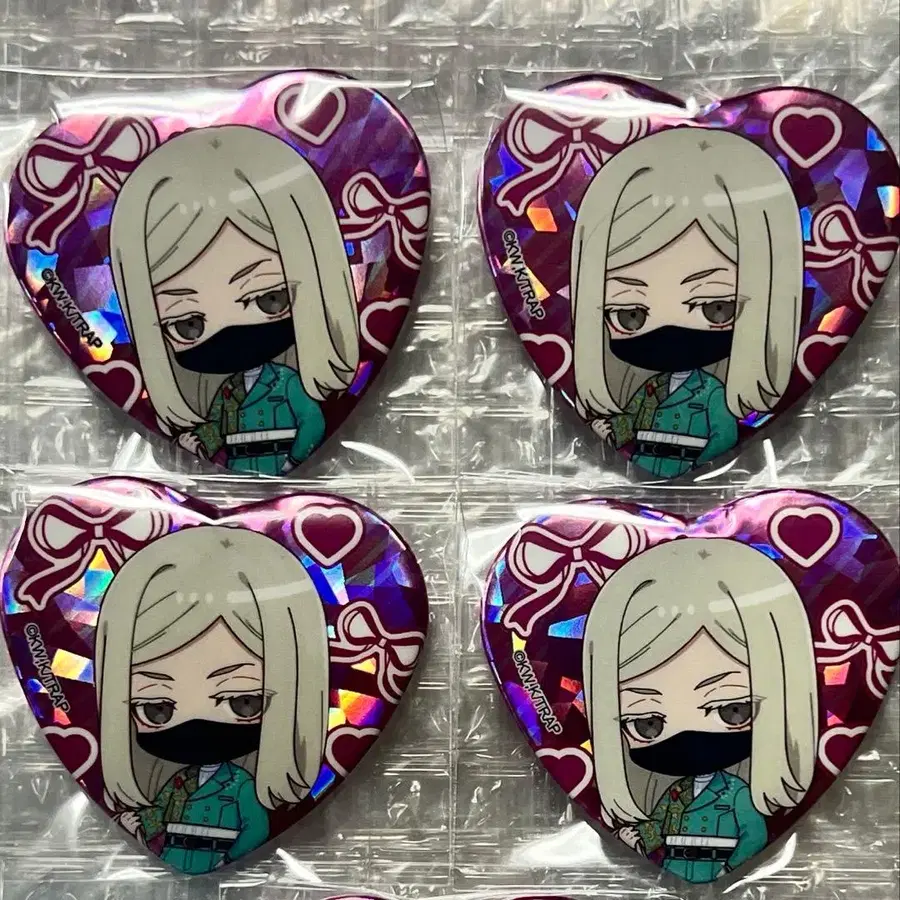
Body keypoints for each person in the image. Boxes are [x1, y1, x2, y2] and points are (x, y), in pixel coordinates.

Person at [109, 125, 359, 475]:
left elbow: (311, 420)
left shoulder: (288, 382)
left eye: (269, 298)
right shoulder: (228, 391)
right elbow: (216, 426)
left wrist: (293, 460)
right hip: (241, 462)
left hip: (282, 460)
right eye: (188, 324)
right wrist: (197, 443)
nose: (232, 338)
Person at [94, 525, 329, 874]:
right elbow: (158, 813)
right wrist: (138, 824)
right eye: (157, 708)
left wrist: (229, 859)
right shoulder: (179, 782)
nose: (195, 728)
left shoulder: (241, 786)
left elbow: (256, 826)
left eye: (242, 701)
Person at [570, 128, 804, 477]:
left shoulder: (712, 393)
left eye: (715, 307)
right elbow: (632, 420)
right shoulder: (651, 388)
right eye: (630, 314)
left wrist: (693, 458)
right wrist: (612, 429)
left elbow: (723, 433)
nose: (669, 336)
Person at [582, 538, 819, 883]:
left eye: (732, 709)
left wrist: (728, 868)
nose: (686, 739)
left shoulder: (737, 793)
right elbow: (659, 825)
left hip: (718, 867)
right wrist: (637, 838)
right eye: (647, 723)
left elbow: (753, 833)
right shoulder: (675, 793)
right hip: (676, 869)